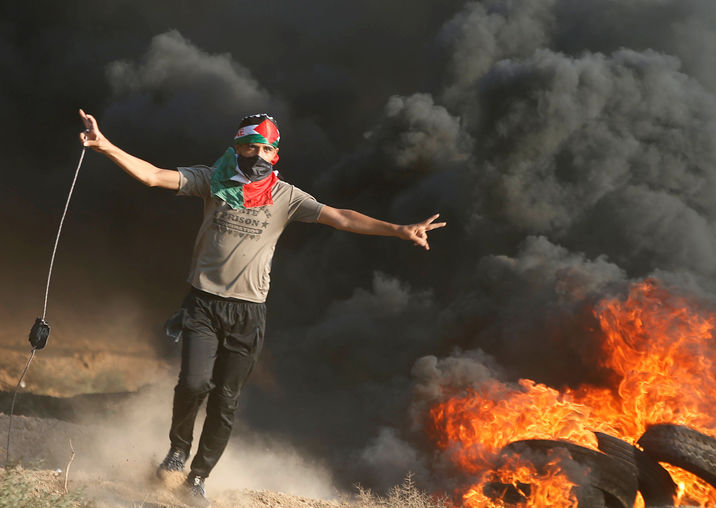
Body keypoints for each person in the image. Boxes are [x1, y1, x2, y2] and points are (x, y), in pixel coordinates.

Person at [78, 109, 445, 506]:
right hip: (202, 303)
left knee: (226, 399)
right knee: (193, 384)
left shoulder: (286, 197)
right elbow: (152, 175)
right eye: (247, 146)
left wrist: (398, 230)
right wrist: (105, 146)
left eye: (263, 149)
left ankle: (198, 478)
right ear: (236, 147)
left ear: (275, 155)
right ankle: (178, 451)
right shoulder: (212, 180)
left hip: (249, 313)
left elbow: (340, 217)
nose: (255, 155)